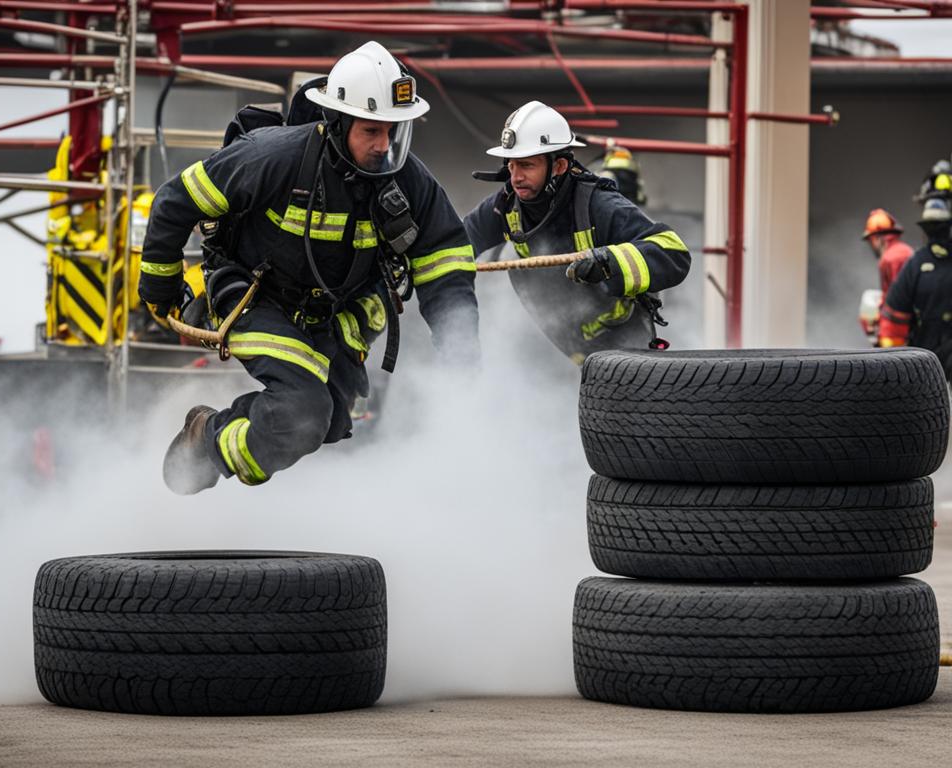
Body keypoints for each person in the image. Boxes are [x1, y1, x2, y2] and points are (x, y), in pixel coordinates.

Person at [139, 41, 479, 495]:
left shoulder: (410, 181)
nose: (384, 147)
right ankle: (211, 444)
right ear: (337, 124)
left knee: (330, 423)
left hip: (333, 314)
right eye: (371, 132)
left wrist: (461, 350)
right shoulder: (273, 157)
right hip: (254, 298)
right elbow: (173, 203)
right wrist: (161, 292)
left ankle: (221, 429)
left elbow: (446, 265)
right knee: (303, 413)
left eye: (395, 132)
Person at [463, 101, 690, 363]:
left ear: (558, 166)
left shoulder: (599, 205)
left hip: (623, 348)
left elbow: (674, 251)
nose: (515, 177)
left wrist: (609, 263)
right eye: (511, 165)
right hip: (558, 347)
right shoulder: (505, 205)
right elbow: (455, 245)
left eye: (526, 165)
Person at [878, 197, 952, 378]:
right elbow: (895, 315)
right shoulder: (916, 264)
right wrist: (895, 366)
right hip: (925, 356)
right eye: (932, 228)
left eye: (940, 227)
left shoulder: (916, 264)